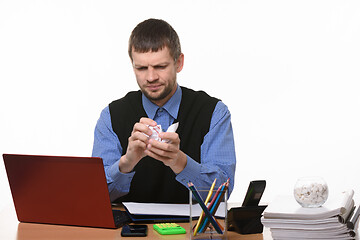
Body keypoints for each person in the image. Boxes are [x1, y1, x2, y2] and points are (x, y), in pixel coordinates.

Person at [92, 18, 236, 203]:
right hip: (130, 230)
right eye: (141, 68)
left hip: (190, 229)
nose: (151, 77)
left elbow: (221, 194)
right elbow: (96, 197)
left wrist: (180, 162)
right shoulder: (111, 116)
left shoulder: (213, 112)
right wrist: (126, 163)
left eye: (160, 67)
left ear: (179, 62)